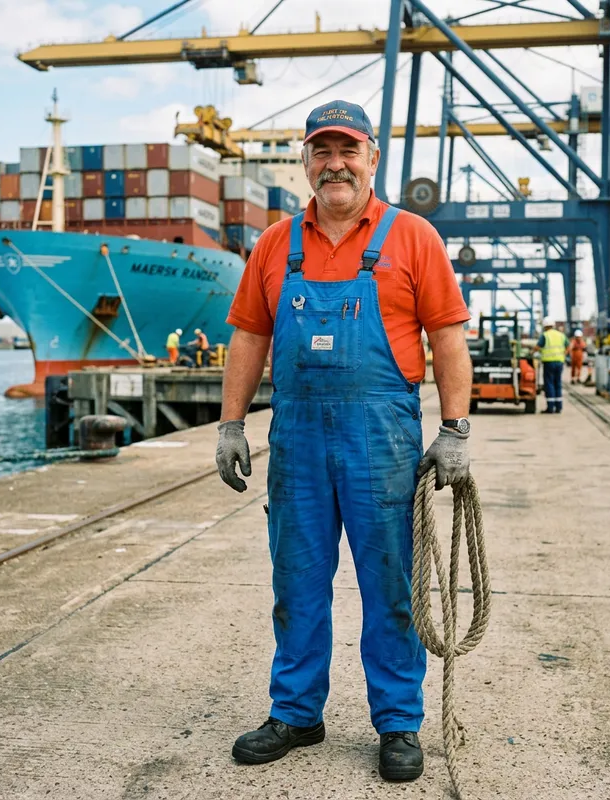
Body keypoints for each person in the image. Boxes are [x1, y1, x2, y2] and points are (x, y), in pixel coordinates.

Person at [214, 99, 472, 783]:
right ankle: (296, 712)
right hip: (296, 436)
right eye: (322, 152)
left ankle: (398, 723)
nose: (335, 164)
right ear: (305, 162)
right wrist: (232, 424)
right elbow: (249, 335)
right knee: (297, 579)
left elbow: (447, 335)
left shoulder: (412, 237)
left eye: (348, 150)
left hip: (379, 437)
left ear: (372, 159)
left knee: (389, 581)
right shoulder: (274, 245)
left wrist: (454, 429)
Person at [534, 317, 568, 413]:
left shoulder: (545, 335)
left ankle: (550, 407)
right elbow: (568, 347)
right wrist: (563, 355)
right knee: (557, 383)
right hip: (559, 362)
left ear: (545, 326)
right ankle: (559, 407)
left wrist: (532, 352)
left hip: (549, 363)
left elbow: (537, 347)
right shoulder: (561, 335)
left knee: (549, 384)